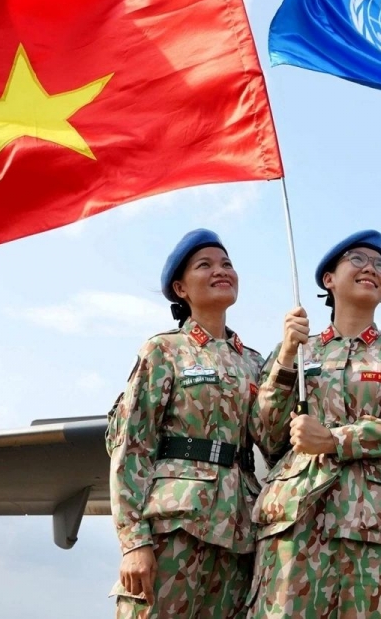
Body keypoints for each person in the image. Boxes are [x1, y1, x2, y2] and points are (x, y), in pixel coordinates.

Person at [248, 230, 381, 619]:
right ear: (328, 280)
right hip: (296, 526)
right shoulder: (300, 350)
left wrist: (337, 439)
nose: (371, 268)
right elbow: (266, 434)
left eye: (380, 264)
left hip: (378, 527)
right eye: (357, 259)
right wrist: (287, 355)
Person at [107, 229, 263, 618]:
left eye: (227, 263)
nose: (220, 271)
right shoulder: (165, 351)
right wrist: (134, 542)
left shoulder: (256, 363)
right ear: (181, 288)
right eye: (205, 265)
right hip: (175, 525)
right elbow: (132, 446)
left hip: (237, 533)